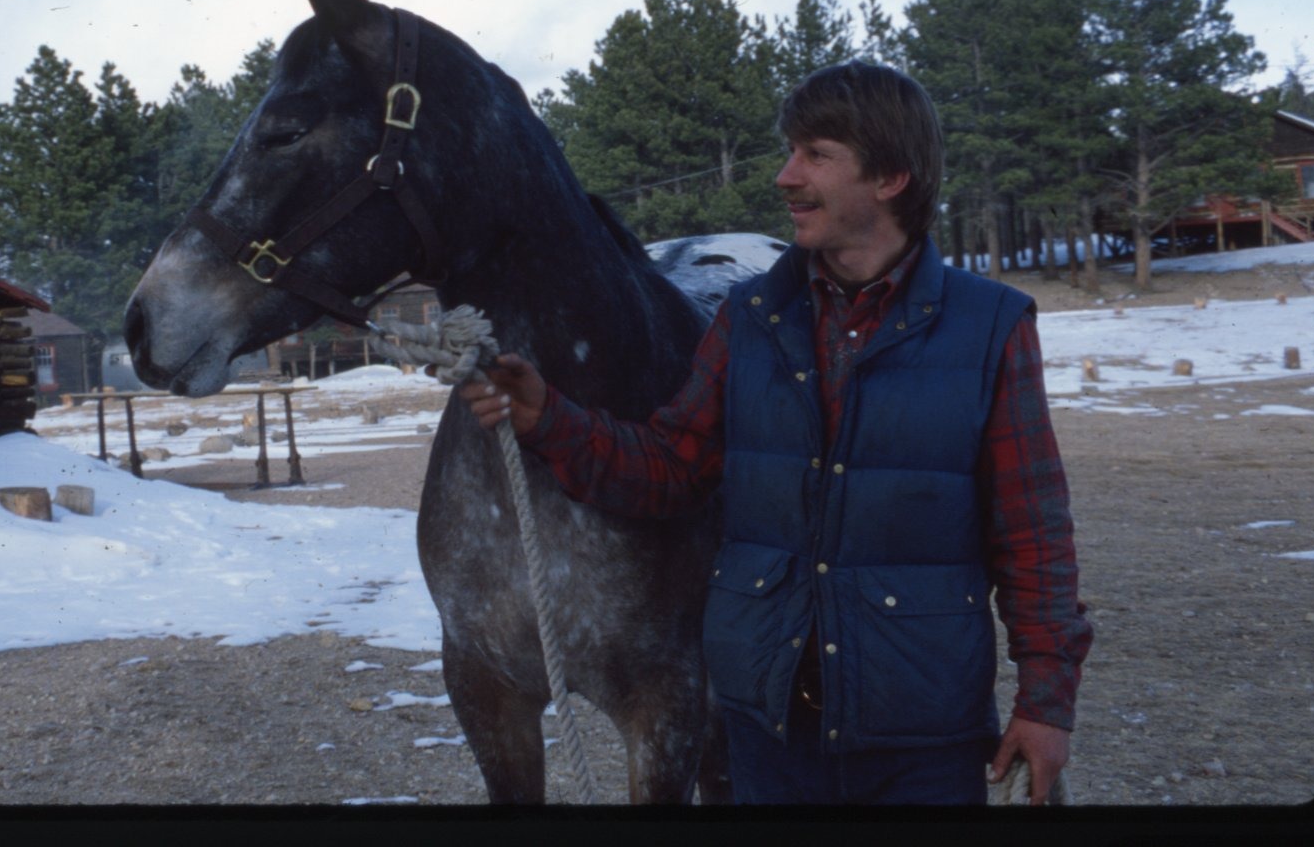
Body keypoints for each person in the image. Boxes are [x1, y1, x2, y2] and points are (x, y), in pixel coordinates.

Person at [462, 60, 1091, 805]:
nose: (786, 177)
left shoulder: (990, 326)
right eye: (790, 151)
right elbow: (670, 468)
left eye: (816, 155)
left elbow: (1032, 534)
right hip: (769, 728)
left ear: (891, 178)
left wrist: (1045, 704)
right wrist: (549, 420)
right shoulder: (750, 317)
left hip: (924, 733)